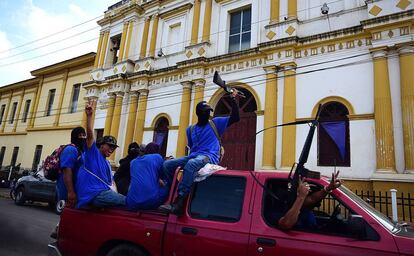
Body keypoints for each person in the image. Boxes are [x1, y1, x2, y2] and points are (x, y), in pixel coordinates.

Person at [162, 89, 240, 216]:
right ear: (198, 113)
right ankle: (174, 189)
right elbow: (192, 148)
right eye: (205, 113)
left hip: (209, 157)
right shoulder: (190, 129)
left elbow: (236, 118)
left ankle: (179, 201)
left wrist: (233, 99)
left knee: (192, 164)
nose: (207, 115)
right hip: (195, 156)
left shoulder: (216, 123)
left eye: (209, 112)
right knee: (167, 165)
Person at [75, 99, 126, 208]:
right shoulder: (92, 153)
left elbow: (111, 183)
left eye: (114, 147)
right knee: (128, 202)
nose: (112, 149)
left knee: (125, 200)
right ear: (101, 145)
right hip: (93, 194)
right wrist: (89, 116)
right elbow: (89, 135)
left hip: (103, 193)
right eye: (109, 146)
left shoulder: (107, 164)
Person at [275, 171, 343, 230]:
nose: (306, 190)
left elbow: (312, 199)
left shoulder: (300, 204)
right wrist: (300, 197)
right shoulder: (275, 210)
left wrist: (328, 188)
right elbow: (285, 224)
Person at [126, 143, 169, 211]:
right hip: (151, 203)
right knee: (167, 183)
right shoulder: (157, 157)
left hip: (131, 203)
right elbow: (163, 175)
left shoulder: (133, 162)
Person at [56, 126, 86, 207]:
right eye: (80, 135)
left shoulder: (81, 150)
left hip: (77, 189)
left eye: (84, 135)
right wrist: (70, 192)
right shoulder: (71, 149)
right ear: (74, 136)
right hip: (67, 190)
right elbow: (67, 171)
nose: (82, 137)